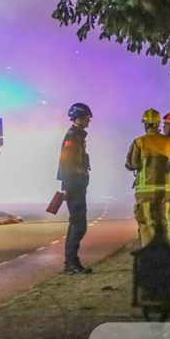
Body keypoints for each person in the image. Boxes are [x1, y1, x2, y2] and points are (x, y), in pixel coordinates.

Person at [125, 109, 170, 246]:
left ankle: (149, 255)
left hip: (145, 193)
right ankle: (168, 254)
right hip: (166, 193)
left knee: (146, 224)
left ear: (145, 125)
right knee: (166, 224)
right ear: (158, 124)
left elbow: (132, 164)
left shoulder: (139, 142)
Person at [57, 103, 93, 274]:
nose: (89, 121)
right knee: (78, 224)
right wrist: (67, 187)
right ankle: (71, 262)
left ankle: (72, 262)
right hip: (74, 186)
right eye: (87, 118)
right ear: (78, 119)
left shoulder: (78, 137)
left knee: (79, 223)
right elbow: (65, 163)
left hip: (77, 185)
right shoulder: (72, 137)